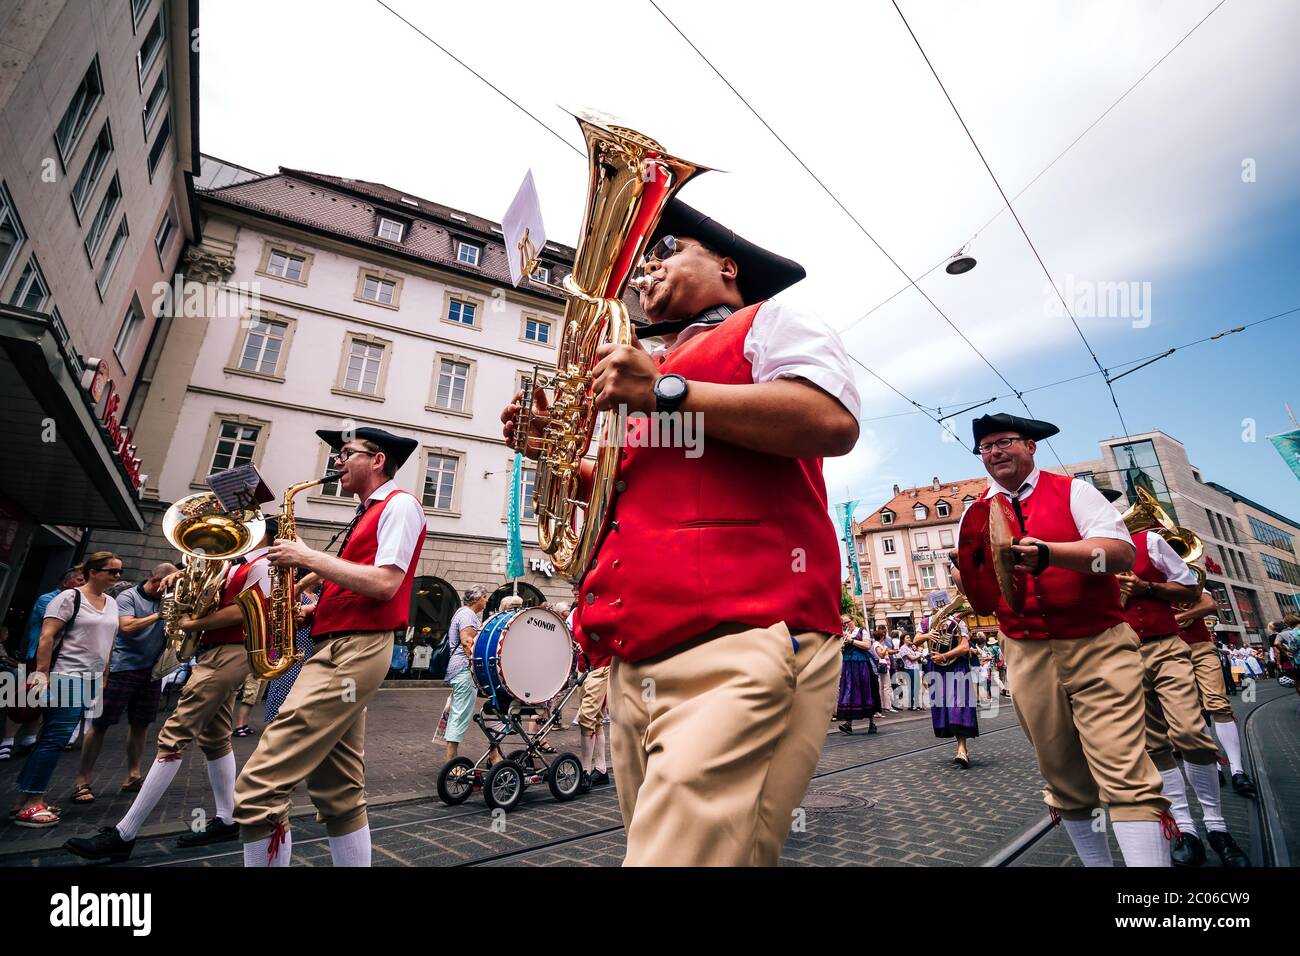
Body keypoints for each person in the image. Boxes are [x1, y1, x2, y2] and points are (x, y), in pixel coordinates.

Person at [502, 198, 859, 866]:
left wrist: (665, 389)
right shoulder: (652, 364)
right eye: (648, 260)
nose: (648, 269)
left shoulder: (769, 322)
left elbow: (829, 420)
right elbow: (635, 488)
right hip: (636, 657)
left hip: (743, 637)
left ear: (728, 268)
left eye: (669, 252)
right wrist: (556, 459)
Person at [954, 413, 1172, 867]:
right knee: (1062, 774)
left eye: (1004, 442)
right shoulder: (974, 513)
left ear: (1030, 446)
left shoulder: (1075, 491)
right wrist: (971, 577)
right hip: (1027, 650)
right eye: (986, 447)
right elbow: (976, 587)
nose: (994, 452)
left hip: (1097, 644)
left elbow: (1120, 553)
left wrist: (1051, 554)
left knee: (1124, 770)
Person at [234, 426, 426, 867]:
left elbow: (385, 583)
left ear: (377, 460)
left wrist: (306, 557)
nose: (336, 462)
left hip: (354, 651)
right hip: (337, 645)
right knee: (338, 792)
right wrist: (309, 609)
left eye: (346, 453)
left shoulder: (399, 506)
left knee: (259, 786)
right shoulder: (366, 512)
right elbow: (355, 581)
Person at [64, 525, 276, 861]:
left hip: (230, 652)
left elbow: (243, 611)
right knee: (215, 737)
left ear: (263, 535)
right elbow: (209, 590)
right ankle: (226, 818)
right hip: (214, 651)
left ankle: (124, 833)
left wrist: (191, 625)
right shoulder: (237, 563)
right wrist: (179, 576)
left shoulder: (263, 564)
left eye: (248, 528)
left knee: (173, 736)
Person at [1117, 523, 1249, 868]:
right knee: (1154, 745)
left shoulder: (1149, 541)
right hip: (1122, 654)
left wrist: (1146, 587)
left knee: (1190, 732)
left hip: (1165, 645)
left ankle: (1217, 825)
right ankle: (1185, 828)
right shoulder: (1085, 552)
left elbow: (1191, 590)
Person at [9, 553, 122, 827]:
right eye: (112, 572)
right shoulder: (70, 598)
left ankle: (24, 800)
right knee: (54, 739)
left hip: (90, 679)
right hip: (65, 676)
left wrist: (104, 674)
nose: (117, 576)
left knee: (52, 738)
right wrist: (42, 675)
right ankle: (32, 802)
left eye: (119, 572)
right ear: (93, 572)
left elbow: (106, 641)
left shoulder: (111, 603)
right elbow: (47, 637)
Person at [70, 562, 177, 802]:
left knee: (141, 725)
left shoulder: (168, 598)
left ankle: (133, 775)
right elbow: (126, 627)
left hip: (151, 671)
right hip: (123, 667)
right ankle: (82, 781)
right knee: (100, 724)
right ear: (156, 581)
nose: (172, 591)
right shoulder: (127, 597)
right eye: (169, 586)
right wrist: (159, 614)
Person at [1, 568, 85, 762]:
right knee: (25, 697)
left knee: (44, 699)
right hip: (38, 657)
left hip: (62, 659)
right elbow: (64, 624)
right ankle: (7, 740)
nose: (82, 584)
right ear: (66, 582)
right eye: (79, 580)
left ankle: (30, 738)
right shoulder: (48, 599)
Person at [913, 616, 978, 767]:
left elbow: (964, 647)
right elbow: (916, 640)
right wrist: (927, 635)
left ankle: (961, 749)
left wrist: (944, 655)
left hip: (956, 666)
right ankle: (962, 748)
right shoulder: (925, 622)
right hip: (936, 668)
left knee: (958, 706)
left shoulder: (958, 621)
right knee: (945, 708)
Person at [263, 583, 318, 724]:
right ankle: (276, 720)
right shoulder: (300, 591)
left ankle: (293, 722)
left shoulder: (317, 596)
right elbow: (294, 595)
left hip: (308, 648)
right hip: (293, 645)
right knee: (285, 684)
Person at [444, 586, 487, 761]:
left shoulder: (464, 613)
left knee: (457, 711)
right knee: (460, 714)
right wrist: (477, 668)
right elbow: (468, 642)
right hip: (463, 668)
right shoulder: (467, 615)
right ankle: (451, 761)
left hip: (459, 669)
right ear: (477, 599)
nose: (486, 600)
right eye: (485, 597)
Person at [835, 615, 878, 734]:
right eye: (843, 624)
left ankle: (872, 723)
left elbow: (867, 645)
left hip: (861, 664)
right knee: (849, 691)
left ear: (853, 621)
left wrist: (852, 641)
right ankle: (848, 723)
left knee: (866, 691)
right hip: (848, 665)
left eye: (847, 622)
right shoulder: (844, 633)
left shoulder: (862, 631)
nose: (846, 625)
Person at [900, 634, 924, 710]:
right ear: (903, 639)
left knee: (916, 687)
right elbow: (912, 658)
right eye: (907, 638)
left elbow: (915, 658)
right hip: (909, 669)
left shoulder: (910, 648)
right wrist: (920, 655)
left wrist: (918, 654)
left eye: (909, 637)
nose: (909, 639)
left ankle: (916, 704)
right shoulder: (903, 648)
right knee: (912, 687)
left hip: (915, 668)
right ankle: (911, 704)